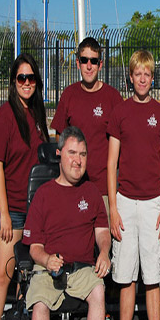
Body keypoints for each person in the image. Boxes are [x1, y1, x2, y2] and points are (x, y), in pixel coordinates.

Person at [107, 50, 160, 320]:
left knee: (152, 278)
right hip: (124, 202)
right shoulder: (120, 112)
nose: (143, 78)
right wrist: (113, 209)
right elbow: (111, 163)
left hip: (153, 206)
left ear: (152, 77)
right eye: (138, 74)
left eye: (147, 73)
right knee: (125, 278)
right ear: (130, 77)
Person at [22, 126, 111, 320]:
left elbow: (102, 232)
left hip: (83, 270)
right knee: (40, 304)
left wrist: (104, 252)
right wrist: (46, 259)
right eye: (72, 153)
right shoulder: (43, 194)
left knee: (98, 291)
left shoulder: (92, 193)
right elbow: (34, 247)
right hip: (48, 271)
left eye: (82, 154)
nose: (77, 161)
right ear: (60, 154)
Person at [0, 53, 50, 320]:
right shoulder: (5, 116)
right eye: (21, 78)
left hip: (36, 212)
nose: (26, 83)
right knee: (3, 275)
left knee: (29, 279)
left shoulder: (37, 116)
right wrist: (6, 215)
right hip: (13, 211)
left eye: (31, 78)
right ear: (13, 82)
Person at [51, 37, 123, 210]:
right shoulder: (69, 95)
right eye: (84, 60)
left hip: (105, 190)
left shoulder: (113, 98)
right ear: (78, 63)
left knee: (104, 237)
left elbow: (125, 139)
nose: (89, 66)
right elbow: (60, 135)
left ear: (100, 64)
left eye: (93, 61)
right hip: (73, 187)